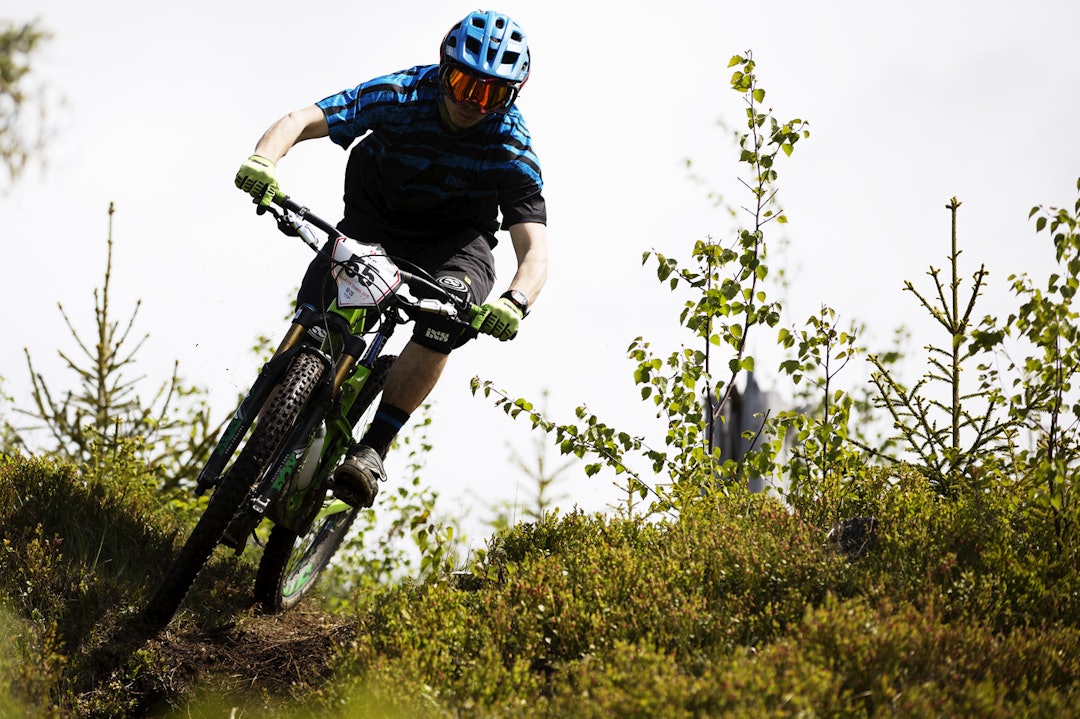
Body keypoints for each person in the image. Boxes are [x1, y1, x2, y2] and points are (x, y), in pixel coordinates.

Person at [233, 10, 547, 509]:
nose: (471, 102)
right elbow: (302, 120)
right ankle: (257, 457)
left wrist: (517, 300)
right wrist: (263, 160)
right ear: (443, 70)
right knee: (316, 324)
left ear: (512, 97)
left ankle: (373, 449)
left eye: (490, 94)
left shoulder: (511, 144)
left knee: (449, 316)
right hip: (371, 223)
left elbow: (534, 247)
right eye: (463, 83)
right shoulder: (399, 94)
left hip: (453, 246)